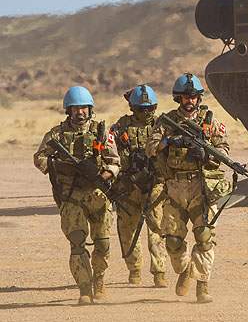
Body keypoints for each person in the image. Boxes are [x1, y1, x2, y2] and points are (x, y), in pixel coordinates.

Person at [146, 73, 229, 303]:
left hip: (200, 187)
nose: (190, 100)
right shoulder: (166, 122)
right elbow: (151, 148)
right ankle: (184, 271)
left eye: (193, 96)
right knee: (172, 242)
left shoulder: (209, 121)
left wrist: (206, 155)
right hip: (174, 187)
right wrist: (171, 141)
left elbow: (223, 150)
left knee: (204, 236)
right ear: (178, 98)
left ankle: (202, 285)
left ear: (198, 97)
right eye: (185, 96)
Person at [34, 86, 120, 305]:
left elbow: (116, 162)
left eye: (83, 108)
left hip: (98, 194)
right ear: (68, 111)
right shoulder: (56, 134)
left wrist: (104, 174)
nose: (80, 112)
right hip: (72, 195)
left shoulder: (102, 132)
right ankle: (84, 289)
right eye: (75, 108)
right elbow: (40, 158)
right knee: (77, 241)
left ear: (90, 109)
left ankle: (99, 279)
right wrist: (62, 167)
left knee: (102, 243)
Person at [110, 84, 168, 287]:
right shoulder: (120, 127)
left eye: (150, 108)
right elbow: (110, 153)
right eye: (142, 109)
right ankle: (134, 268)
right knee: (127, 228)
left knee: (157, 227)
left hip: (156, 183)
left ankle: (159, 271)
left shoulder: (162, 125)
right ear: (133, 108)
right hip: (128, 184)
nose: (147, 113)